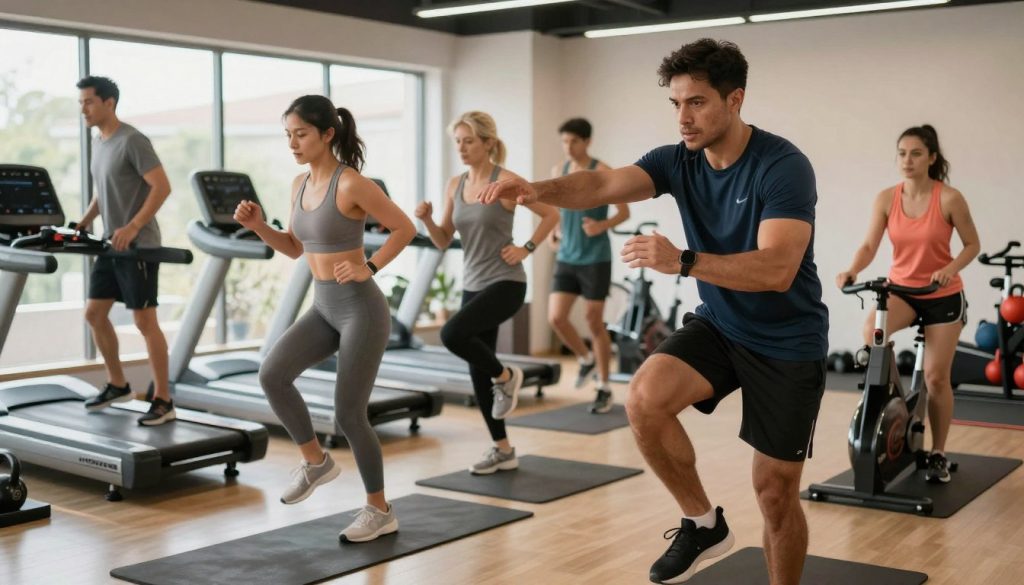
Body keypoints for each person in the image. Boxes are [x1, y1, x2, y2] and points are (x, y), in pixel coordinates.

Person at [480, 39, 829, 585]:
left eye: (697, 102)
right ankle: (702, 522)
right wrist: (537, 189)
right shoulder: (676, 161)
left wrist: (684, 261)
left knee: (775, 494)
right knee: (643, 398)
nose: (684, 118)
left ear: (735, 100)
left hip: (787, 340)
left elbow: (777, 268)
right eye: (676, 104)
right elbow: (601, 183)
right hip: (720, 325)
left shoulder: (782, 166)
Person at [234, 95, 416, 543]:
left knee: (349, 414)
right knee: (273, 375)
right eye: (288, 135)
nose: (293, 143)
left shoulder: (352, 183)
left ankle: (379, 510)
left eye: (301, 134)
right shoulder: (298, 184)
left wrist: (368, 266)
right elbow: (296, 247)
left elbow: (404, 228)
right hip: (322, 305)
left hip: (360, 309)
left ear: (327, 134)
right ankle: (316, 461)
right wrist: (259, 226)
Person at [416, 111, 558, 475]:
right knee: (479, 370)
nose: (462, 148)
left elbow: (551, 214)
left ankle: (507, 376)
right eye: (458, 142)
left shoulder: (507, 181)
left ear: (488, 143)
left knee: (451, 334)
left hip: (506, 282)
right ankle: (503, 449)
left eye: (468, 141)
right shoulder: (455, 184)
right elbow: (444, 240)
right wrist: (429, 220)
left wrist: (526, 247)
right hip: (472, 283)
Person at [837, 124, 979, 484]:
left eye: (916, 153)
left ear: (931, 158)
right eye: (902, 153)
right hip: (901, 290)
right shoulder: (887, 198)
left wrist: (949, 269)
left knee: (936, 377)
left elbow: (971, 245)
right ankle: (901, 405)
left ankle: (939, 451)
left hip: (941, 295)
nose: (907, 160)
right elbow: (869, 245)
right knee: (872, 334)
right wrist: (852, 269)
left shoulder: (949, 198)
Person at [75, 75, 177, 426]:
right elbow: (104, 191)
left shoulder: (133, 140)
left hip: (139, 246)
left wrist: (132, 227)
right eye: (80, 103)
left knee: (144, 321)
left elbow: (161, 187)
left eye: (88, 102)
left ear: (109, 103)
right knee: (94, 314)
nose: (83, 109)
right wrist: (86, 220)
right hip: (109, 244)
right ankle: (118, 384)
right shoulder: (99, 142)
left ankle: (163, 398)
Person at [547, 118, 630, 414]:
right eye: (564, 141)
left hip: (595, 258)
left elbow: (624, 211)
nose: (568, 147)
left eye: (573, 141)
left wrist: (602, 225)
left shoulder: (603, 171)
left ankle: (604, 387)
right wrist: (554, 235)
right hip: (566, 257)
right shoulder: (559, 170)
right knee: (556, 318)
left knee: (594, 322)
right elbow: (557, 211)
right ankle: (586, 358)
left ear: (587, 142)